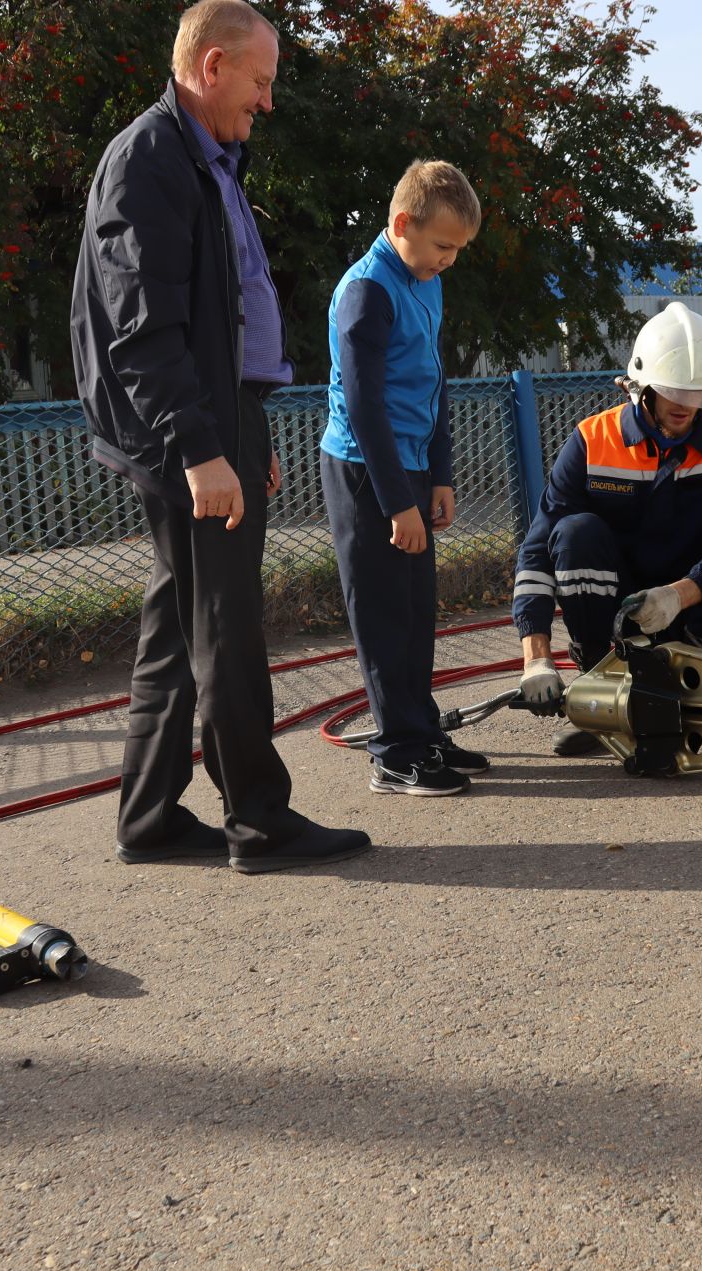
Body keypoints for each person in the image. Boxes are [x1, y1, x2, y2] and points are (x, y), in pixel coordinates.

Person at [69, 0, 369, 874]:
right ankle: (260, 823)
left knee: (176, 626)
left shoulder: (203, 160)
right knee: (223, 623)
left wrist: (245, 430)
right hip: (184, 427)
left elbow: (220, 310)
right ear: (211, 67)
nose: (267, 103)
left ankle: (150, 816)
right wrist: (202, 449)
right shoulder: (152, 161)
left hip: (213, 414)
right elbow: (143, 328)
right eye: (260, 82)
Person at [512, 303, 702, 757]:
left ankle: (683, 692)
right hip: (611, 602)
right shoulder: (593, 440)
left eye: (701, 394)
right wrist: (536, 656)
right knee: (574, 533)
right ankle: (601, 690)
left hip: (685, 596)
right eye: (674, 392)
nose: (688, 406)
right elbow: (538, 550)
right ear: (638, 387)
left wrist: (678, 595)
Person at [320, 160, 487, 797]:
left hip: (414, 466)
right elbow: (364, 406)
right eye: (443, 245)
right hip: (367, 471)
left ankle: (424, 732)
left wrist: (439, 475)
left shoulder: (426, 278)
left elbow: (434, 381)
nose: (449, 260)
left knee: (419, 612)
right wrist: (397, 504)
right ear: (402, 224)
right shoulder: (368, 289)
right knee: (386, 615)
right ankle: (395, 753)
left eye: (458, 250)